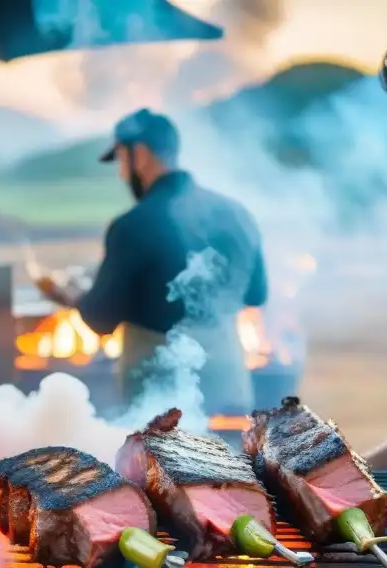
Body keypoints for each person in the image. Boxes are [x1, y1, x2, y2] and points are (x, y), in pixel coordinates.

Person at [36, 108, 268, 414]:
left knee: (161, 463)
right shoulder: (237, 214)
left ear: (140, 154)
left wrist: (72, 297)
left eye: (120, 158)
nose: (121, 172)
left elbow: (100, 319)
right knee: (233, 461)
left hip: (162, 402)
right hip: (228, 385)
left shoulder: (132, 225)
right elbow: (256, 294)